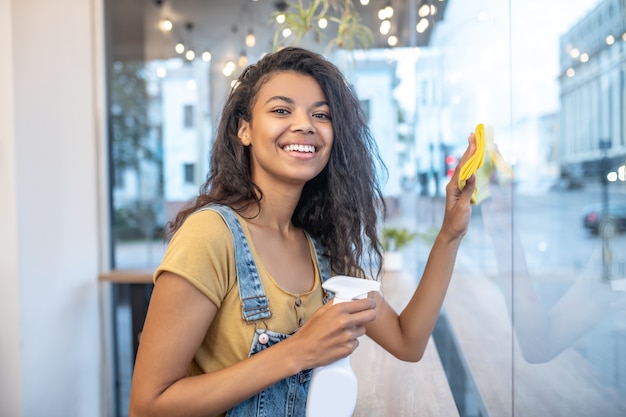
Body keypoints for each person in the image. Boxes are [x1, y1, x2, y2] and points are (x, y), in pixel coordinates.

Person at [129, 46, 477, 417]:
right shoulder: (211, 235)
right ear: (243, 130)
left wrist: (449, 235)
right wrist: (298, 350)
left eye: (321, 114)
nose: (305, 124)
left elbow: (409, 341)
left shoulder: (322, 249)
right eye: (281, 110)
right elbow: (148, 405)